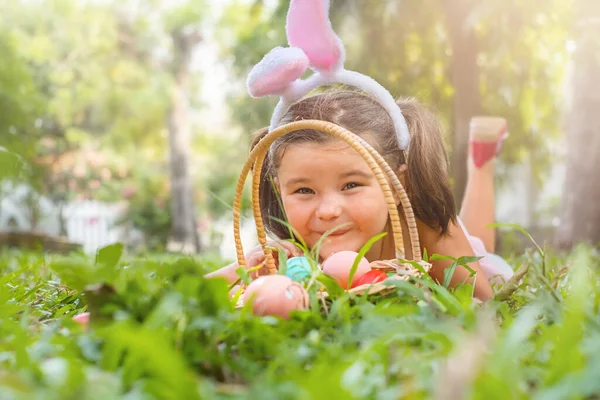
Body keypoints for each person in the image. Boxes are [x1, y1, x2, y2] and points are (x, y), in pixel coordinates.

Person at [206, 0, 514, 301]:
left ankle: (481, 159)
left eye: (351, 185)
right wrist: (242, 268)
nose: (327, 211)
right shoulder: (293, 251)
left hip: (470, 253)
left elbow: (485, 303)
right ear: (279, 189)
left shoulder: (426, 232)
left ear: (398, 184)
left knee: (481, 243)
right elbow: (193, 290)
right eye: (303, 190)